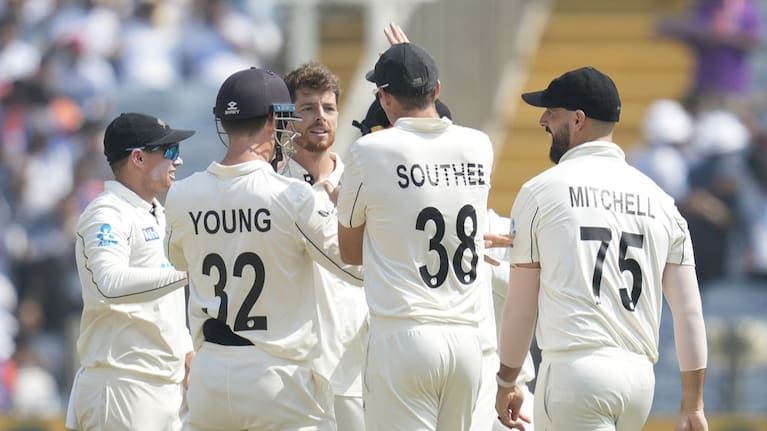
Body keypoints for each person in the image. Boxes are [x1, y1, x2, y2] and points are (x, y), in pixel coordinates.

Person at [494, 66, 708, 431]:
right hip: (639, 381)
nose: (543, 120)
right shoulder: (661, 201)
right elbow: (688, 311)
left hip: (576, 373)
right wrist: (693, 403)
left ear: (578, 120)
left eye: (552, 112)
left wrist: (506, 380)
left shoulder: (540, 191)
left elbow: (520, 307)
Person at [164, 67, 363, 431]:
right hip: (278, 378)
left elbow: (179, 259)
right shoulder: (292, 195)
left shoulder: (181, 195)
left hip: (209, 379)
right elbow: (353, 265)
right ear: (274, 121)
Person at [352, 92, 536, 431]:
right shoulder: (484, 224)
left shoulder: (493, 227)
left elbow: (522, 295)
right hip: (470, 369)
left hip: (464, 374)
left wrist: (517, 378)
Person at [336, 42, 492, 430]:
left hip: (403, 336)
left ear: (383, 98)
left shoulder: (369, 150)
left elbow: (351, 251)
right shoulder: (479, 145)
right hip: (467, 342)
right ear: (437, 91)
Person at [66, 112, 195, 431]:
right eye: (170, 152)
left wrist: (187, 352)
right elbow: (108, 284)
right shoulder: (106, 213)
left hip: (163, 388)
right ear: (138, 157)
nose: (178, 162)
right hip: (122, 385)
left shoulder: (158, 213)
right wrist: (188, 270)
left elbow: (162, 305)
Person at [281, 61, 368, 431]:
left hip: (356, 368)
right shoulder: (274, 189)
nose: (320, 117)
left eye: (329, 108)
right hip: (293, 373)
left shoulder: (363, 183)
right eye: (308, 108)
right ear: (287, 118)